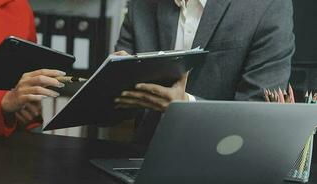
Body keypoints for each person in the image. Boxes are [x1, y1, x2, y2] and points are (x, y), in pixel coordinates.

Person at [114, 0, 295, 143]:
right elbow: (114, 108)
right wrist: (105, 85)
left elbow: (259, 119)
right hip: (140, 160)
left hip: (222, 167)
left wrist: (187, 105)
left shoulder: (269, 6)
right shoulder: (141, 5)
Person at [0, 0, 65, 136]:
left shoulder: (16, 6)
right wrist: (3, 103)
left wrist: (26, 104)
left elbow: (24, 78)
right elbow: (6, 101)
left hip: (8, 144)